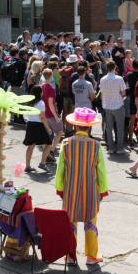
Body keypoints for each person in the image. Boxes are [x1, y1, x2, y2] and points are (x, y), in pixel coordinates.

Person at [55, 108, 109, 265]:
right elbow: (101, 171)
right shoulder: (95, 145)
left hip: (70, 190)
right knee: (90, 221)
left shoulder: (66, 143)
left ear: (74, 126)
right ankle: (92, 256)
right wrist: (103, 190)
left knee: (70, 223)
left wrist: (60, 187)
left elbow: (60, 170)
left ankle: (70, 255)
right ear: (90, 127)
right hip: (90, 190)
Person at [23, 86, 53, 173]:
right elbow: (42, 117)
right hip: (38, 125)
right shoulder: (41, 103)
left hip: (30, 124)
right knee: (48, 144)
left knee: (30, 146)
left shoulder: (29, 103)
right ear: (40, 93)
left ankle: (27, 166)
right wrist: (48, 128)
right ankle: (42, 163)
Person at [100, 61, 127, 155]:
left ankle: (111, 148)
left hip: (107, 105)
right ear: (115, 67)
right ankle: (119, 148)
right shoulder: (119, 78)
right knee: (120, 128)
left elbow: (102, 92)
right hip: (118, 105)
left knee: (108, 127)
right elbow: (123, 93)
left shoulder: (102, 79)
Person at [42, 68, 63, 151]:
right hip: (50, 114)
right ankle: (52, 149)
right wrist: (56, 116)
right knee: (60, 131)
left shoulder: (41, 87)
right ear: (51, 76)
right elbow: (51, 104)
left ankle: (47, 149)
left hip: (43, 113)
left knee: (47, 132)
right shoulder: (51, 89)